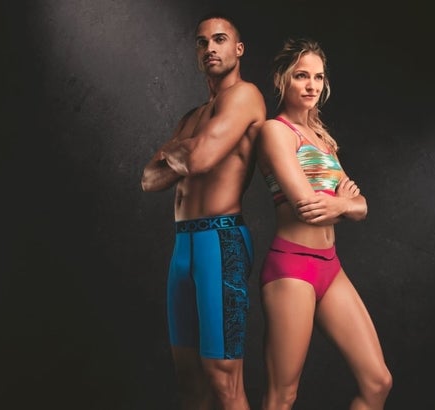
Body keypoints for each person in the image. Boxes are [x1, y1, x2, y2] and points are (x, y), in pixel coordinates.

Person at [256, 38, 393, 410]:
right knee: (283, 396)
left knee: (378, 382)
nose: (311, 85)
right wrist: (343, 203)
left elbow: (362, 207)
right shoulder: (276, 132)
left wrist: (342, 204)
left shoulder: (323, 140)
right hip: (291, 267)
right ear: (283, 79)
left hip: (330, 267)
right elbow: (306, 207)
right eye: (302, 76)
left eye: (318, 77)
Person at [140, 13, 266, 410]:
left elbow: (199, 159)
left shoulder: (245, 96)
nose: (210, 47)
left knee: (223, 380)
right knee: (189, 379)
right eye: (202, 42)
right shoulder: (191, 117)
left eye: (219, 39)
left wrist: (176, 152)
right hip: (183, 247)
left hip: (220, 241)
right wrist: (189, 151)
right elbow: (148, 178)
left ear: (238, 49)